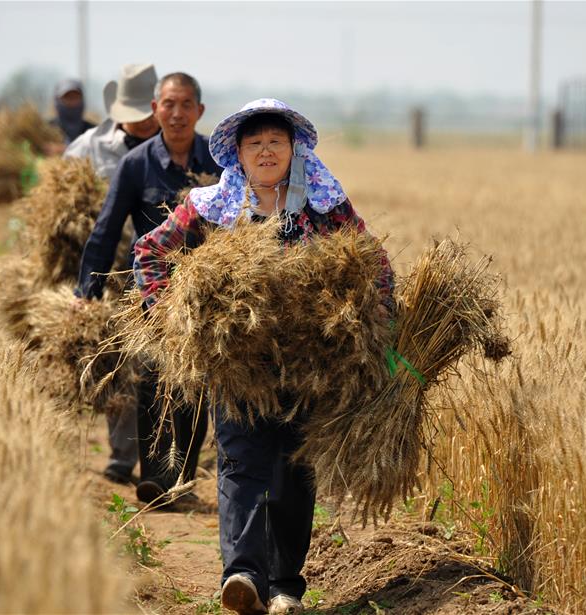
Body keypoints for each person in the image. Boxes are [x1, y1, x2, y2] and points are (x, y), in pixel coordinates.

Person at [133, 99, 395, 615]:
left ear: (294, 150)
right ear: (239, 154)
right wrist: (169, 313)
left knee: (295, 472)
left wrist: (374, 320)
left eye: (276, 141)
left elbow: (376, 264)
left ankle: (285, 587)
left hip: (309, 366)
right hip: (238, 365)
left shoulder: (325, 206)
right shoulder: (212, 207)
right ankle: (243, 576)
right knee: (240, 463)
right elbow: (149, 251)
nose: (266, 151)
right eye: (255, 144)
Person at [77, 72, 221, 505]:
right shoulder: (136, 164)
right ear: (155, 109)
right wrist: (85, 294)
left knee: (195, 384)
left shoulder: (219, 163)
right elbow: (106, 232)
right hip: (149, 291)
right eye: (168, 105)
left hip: (206, 294)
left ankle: (182, 478)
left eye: (186, 105)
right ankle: (155, 477)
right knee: (152, 377)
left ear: (199, 111)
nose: (177, 114)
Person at [64, 63, 161, 486]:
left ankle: (161, 459)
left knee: (157, 364)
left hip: (158, 269)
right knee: (118, 360)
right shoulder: (89, 147)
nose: (140, 120)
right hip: (106, 267)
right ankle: (123, 454)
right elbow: (60, 204)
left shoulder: (172, 148)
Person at [50, 78, 96, 145]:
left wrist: (65, 149)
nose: (72, 102)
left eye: (75, 97)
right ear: (57, 101)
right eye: (67, 98)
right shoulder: (47, 129)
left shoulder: (93, 132)